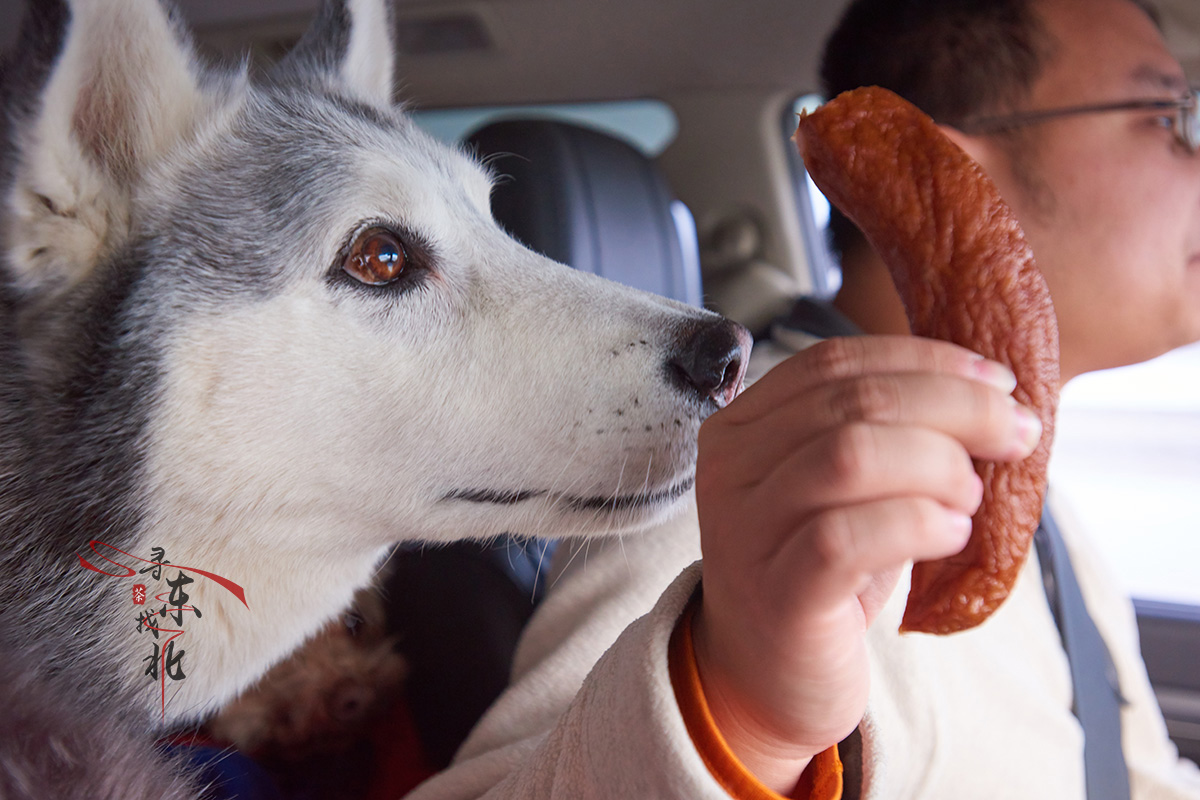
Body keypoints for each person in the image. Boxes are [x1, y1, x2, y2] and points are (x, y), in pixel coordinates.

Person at [409, 0, 1200, 797]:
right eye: (1170, 117)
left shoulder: (1034, 493)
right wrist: (734, 712)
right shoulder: (755, 487)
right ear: (943, 175)